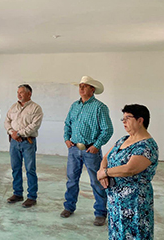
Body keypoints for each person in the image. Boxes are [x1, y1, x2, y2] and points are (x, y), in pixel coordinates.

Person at [97, 104, 158, 240]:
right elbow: (106, 157)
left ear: (140, 120)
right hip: (116, 201)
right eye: (123, 118)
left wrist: (105, 172)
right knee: (117, 233)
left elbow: (129, 169)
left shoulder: (146, 146)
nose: (124, 121)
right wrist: (101, 171)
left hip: (134, 202)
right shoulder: (124, 140)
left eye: (128, 118)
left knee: (135, 232)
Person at [61, 76, 113, 226]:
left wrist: (96, 145)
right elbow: (67, 124)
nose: (81, 88)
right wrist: (66, 139)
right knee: (71, 179)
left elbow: (107, 130)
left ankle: (100, 213)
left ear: (92, 89)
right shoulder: (74, 106)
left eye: (85, 86)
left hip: (91, 150)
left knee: (97, 181)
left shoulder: (99, 107)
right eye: (80, 86)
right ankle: (69, 207)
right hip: (74, 149)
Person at [4, 84, 43, 208]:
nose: (19, 95)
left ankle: (31, 197)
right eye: (18, 92)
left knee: (30, 169)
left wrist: (19, 133)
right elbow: (7, 121)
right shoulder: (13, 107)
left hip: (28, 142)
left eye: (21, 92)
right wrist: (12, 133)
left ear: (29, 94)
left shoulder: (36, 108)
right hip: (14, 143)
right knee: (15, 168)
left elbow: (34, 126)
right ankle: (17, 193)